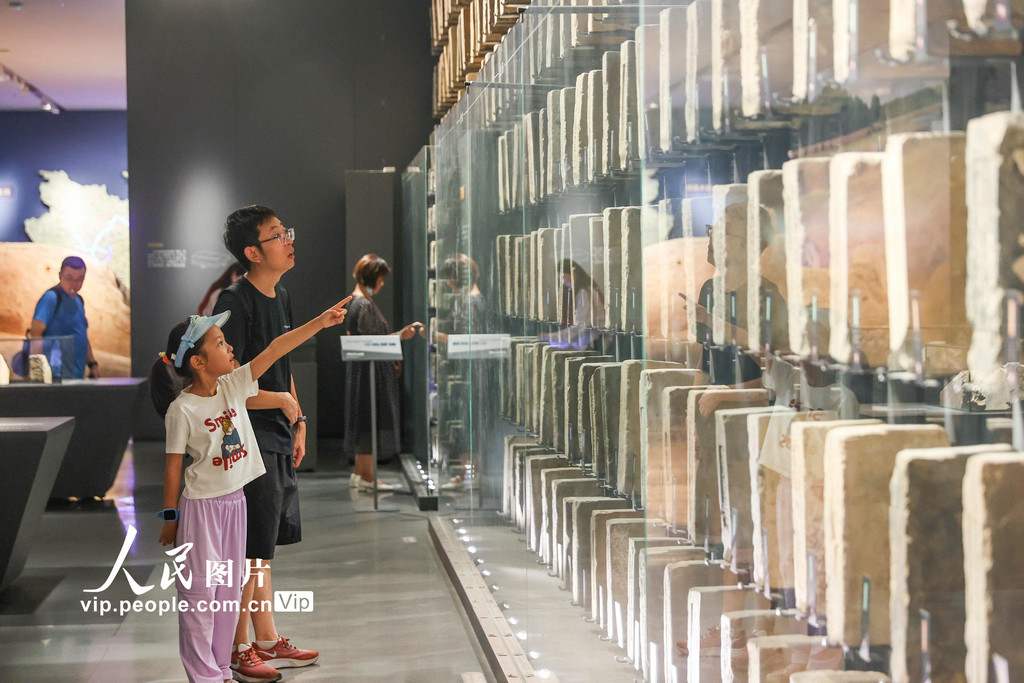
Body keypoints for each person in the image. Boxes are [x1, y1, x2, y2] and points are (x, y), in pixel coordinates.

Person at [149, 299, 349, 683]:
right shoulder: (182, 410)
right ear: (198, 362)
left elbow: (275, 349)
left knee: (228, 593)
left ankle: (223, 669)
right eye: (219, 343)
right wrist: (171, 517)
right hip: (201, 511)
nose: (230, 348)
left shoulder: (234, 385)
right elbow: (173, 468)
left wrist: (320, 323)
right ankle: (204, 676)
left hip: (235, 504)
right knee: (200, 596)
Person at [213, 205, 319, 681]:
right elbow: (225, 383)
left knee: (263, 545)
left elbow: (283, 363)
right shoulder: (235, 302)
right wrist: (278, 401)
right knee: (248, 545)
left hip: (275, 431)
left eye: (286, 231)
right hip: (247, 436)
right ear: (252, 252)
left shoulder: (281, 295)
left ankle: (267, 638)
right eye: (277, 235)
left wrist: (298, 419)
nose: (288, 240)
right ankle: (238, 648)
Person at [343, 254, 423, 492]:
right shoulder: (364, 304)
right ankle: (368, 476)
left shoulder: (356, 301)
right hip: (370, 373)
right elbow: (372, 342)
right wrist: (400, 336)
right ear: (374, 277)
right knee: (370, 419)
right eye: (381, 278)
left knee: (364, 419)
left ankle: (361, 472)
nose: (382, 283)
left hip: (362, 370)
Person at [435, 254, 495, 490]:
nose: (448, 282)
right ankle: (467, 473)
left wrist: (438, 337)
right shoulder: (470, 300)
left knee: (470, 423)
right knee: (467, 422)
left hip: (473, 371)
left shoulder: (470, 303)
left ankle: (470, 474)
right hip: (470, 370)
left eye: (450, 277)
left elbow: (467, 340)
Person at [29, 255, 98, 379]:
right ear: (60, 275)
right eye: (70, 278)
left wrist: (92, 364)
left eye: (80, 279)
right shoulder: (51, 298)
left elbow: (82, 334)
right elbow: (36, 333)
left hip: (76, 376)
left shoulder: (79, 300)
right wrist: (37, 373)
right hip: (56, 376)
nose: (74, 284)